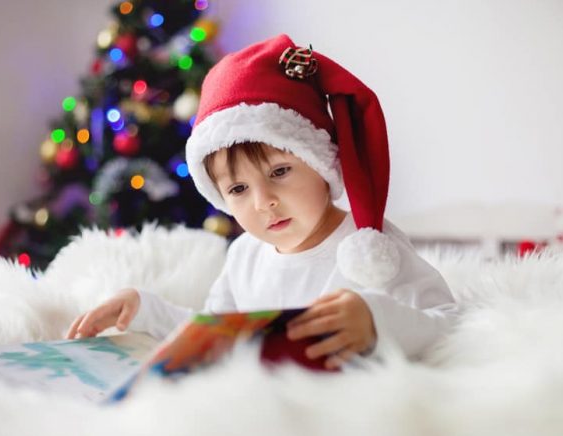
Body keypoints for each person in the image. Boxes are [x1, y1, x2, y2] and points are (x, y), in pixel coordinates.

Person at [66, 34, 457, 369]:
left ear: (322, 164)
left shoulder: (370, 245)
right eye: (238, 190)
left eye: (280, 172)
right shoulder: (244, 257)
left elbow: (448, 323)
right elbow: (213, 331)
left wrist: (376, 321)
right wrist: (143, 308)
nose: (264, 201)